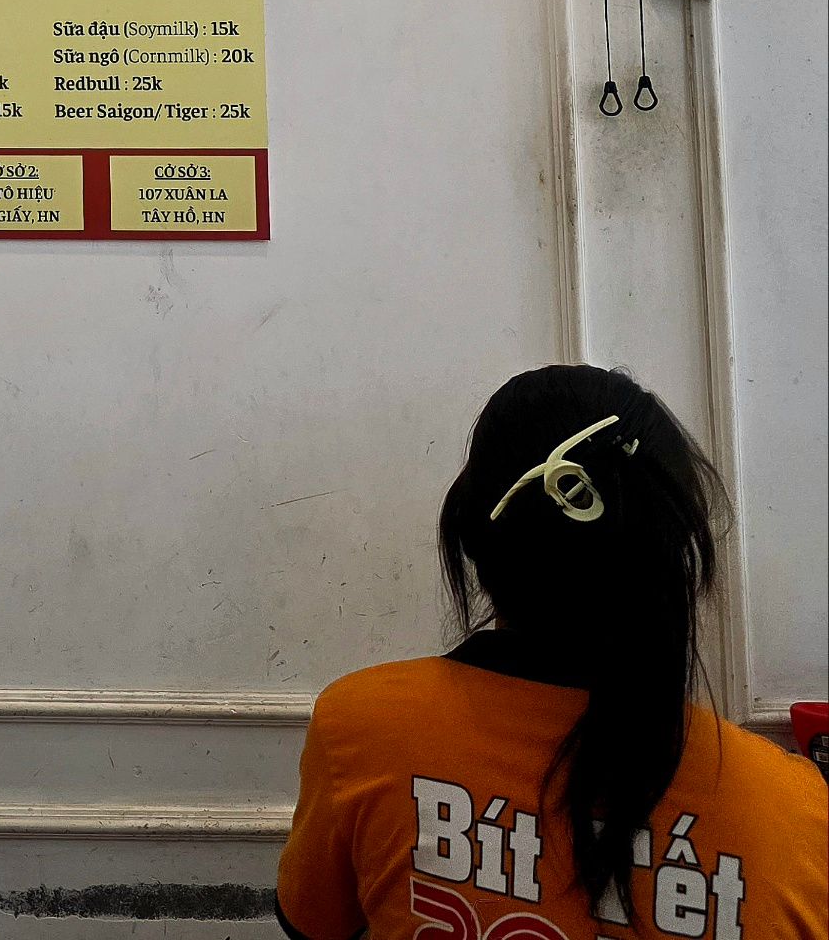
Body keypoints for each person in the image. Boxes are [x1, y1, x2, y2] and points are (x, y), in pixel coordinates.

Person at [275, 364, 828, 937]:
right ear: (673, 554)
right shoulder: (793, 812)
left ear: (470, 538)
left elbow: (315, 924)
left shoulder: (363, 729)